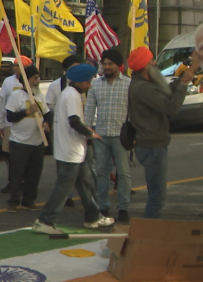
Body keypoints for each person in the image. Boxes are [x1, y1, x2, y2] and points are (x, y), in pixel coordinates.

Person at [31, 64, 111, 234]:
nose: (90, 85)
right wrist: (91, 134)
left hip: (70, 149)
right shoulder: (73, 96)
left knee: (85, 183)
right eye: (88, 82)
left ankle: (93, 216)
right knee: (64, 187)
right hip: (71, 150)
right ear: (81, 82)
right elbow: (74, 121)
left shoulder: (66, 93)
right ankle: (45, 220)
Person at [127, 46, 200, 219]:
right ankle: (147, 236)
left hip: (152, 145)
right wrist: (184, 82)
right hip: (152, 148)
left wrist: (189, 72)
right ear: (145, 66)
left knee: (156, 195)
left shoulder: (145, 83)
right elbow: (171, 107)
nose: (155, 63)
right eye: (152, 60)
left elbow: (166, 91)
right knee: (157, 198)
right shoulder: (143, 88)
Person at [85, 49, 132, 223]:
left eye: (110, 64)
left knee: (124, 173)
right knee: (102, 173)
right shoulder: (96, 85)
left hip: (121, 136)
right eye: (104, 63)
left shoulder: (128, 84)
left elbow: (133, 112)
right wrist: (87, 131)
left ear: (118, 65)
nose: (106, 67)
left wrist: (133, 134)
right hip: (101, 136)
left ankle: (123, 208)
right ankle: (103, 207)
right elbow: (89, 109)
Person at [5, 65, 50, 213]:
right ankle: (14, 201)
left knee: (34, 174)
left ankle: (29, 200)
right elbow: (10, 116)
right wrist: (27, 112)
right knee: (18, 174)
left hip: (37, 141)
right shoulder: (16, 96)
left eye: (38, 78)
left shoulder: (40, 97)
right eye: (34, 78)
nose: (37, 81)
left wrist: (46, 123)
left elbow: (47, 114)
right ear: (26, 80)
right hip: (20, 142)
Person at [44, 55, 84, 208]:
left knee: (82, 167)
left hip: (79, 130)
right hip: (62, 128)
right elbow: (49, 105)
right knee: (64, 163)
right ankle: (66, 195)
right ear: (65, 70)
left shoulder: (84, 84)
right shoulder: (56, 86)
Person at [0, 56, 33, 194]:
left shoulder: (31, 82)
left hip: (27, 125)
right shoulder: (8, 82)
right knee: (10, 155)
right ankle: (12, 181)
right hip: (10, 123)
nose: (15, 68)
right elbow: (2, 103)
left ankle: (26, 182)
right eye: (15, 65)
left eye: (18, 65)